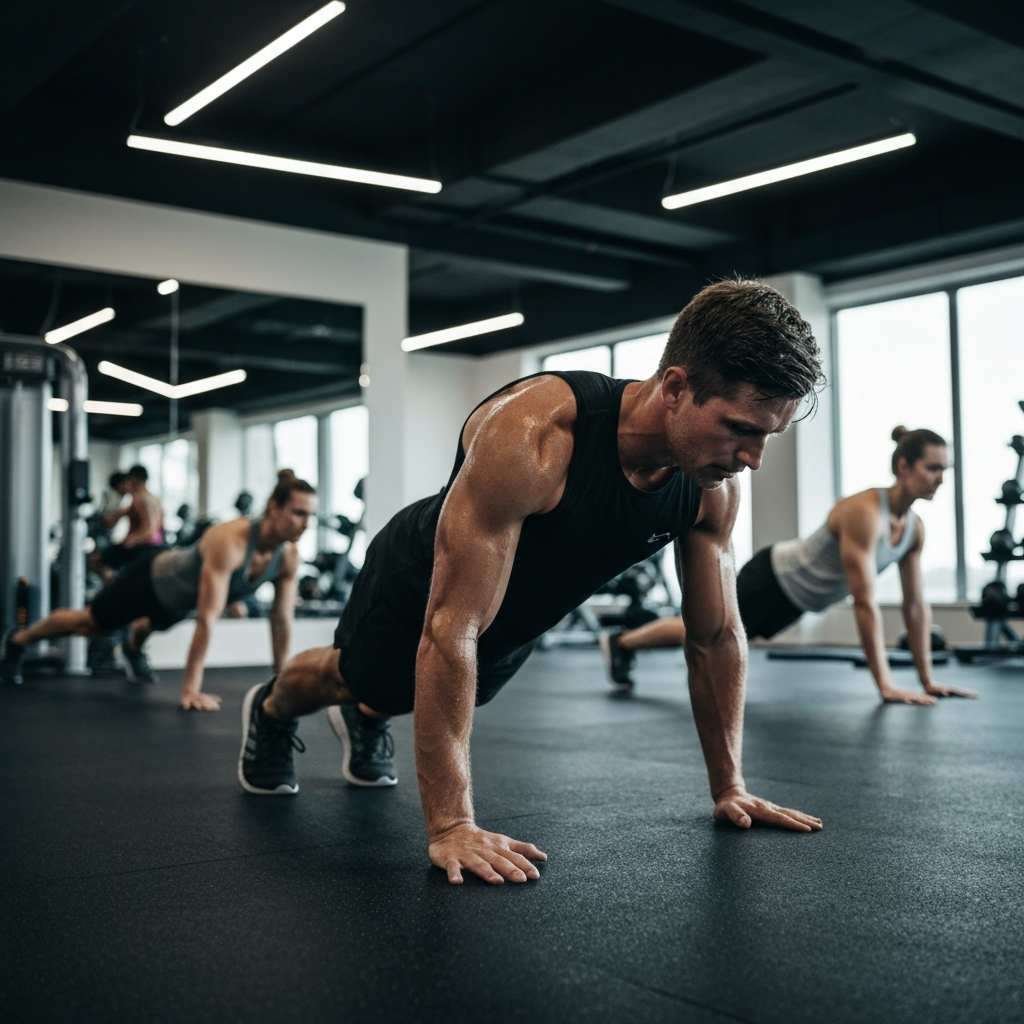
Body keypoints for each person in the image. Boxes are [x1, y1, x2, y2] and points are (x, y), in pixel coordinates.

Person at [237, 279, 826, 887]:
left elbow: (716, 637)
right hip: (424, 579)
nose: (752, 457)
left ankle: (369, 715)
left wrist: (730, 785)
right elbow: (451, 626)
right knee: (356, 675)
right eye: (738, 428)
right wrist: (451, 826)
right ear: (675, 388)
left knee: (419, 694)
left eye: (767, 436)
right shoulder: (537, 434)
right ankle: (272, 708)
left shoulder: (712, 488)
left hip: (517, 617)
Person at [603, 427, 978, 705]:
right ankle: (622, 642)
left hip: (795, 599)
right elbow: (864, 602)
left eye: (946, 469)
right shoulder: (865, 513)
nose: (941, 479)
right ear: (903, 466)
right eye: (933, 468)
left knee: (735, 635)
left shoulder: (914, 530)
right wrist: (885, 685)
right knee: (705, 629)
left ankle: (624, 643)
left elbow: (915, 606)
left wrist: (927, 680)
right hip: (774, 577)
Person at [1, 470, 314, 708]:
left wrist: (281, 683)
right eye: (298, 513)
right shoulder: (231, 539)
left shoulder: (287, 558)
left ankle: (133, 650)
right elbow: (207, 617)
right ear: (274, 508)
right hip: (149, 579)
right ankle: (18, 639)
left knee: (151, 625)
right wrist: (191, 690)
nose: (305, 524)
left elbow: (281, 620)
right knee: (90, 624)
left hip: (177, 602)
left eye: (310, 516)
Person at [91, 466, 165, 583]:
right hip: (154, 544)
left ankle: (115, 589)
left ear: (134, 479)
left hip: (145, 546)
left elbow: (150, 529)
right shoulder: (152, 498)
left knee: (94, 558)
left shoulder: (140, 498)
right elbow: (121, 513)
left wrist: (131, 541)